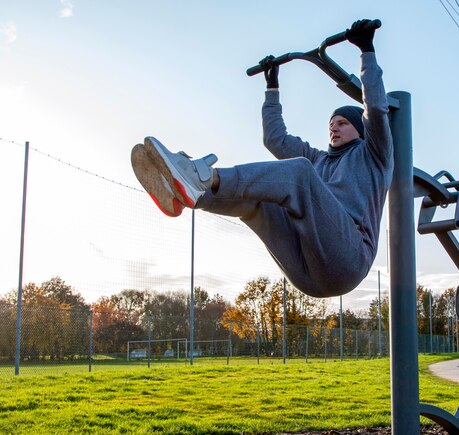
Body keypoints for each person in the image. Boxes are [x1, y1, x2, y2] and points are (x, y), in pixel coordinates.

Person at [131, 19, 393, 298]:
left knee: (298, 175)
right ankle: (189, 194)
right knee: (259, 198)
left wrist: (366, 50)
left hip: (348, 260)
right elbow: (275, 140)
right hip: (305, 271)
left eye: (342, 123)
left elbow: (376, 108)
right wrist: (272, 88)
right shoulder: (317, 159)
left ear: (360, 129)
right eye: (331, 123)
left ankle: (202, 176)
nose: (333, 127)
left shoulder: (373, 155)